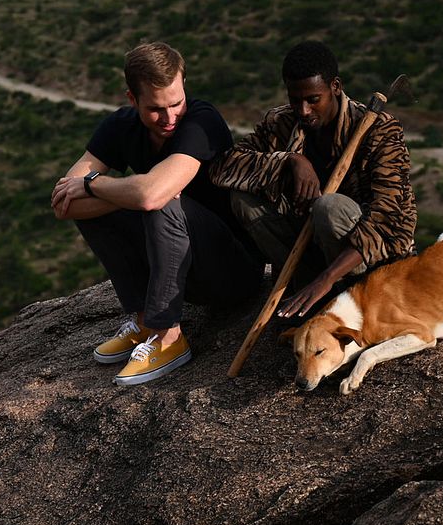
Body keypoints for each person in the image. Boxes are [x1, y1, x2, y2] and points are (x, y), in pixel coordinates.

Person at [51, 42, 262, 386]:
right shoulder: (120, 126)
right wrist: (133, 193)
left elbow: (152, 197)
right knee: (121, 206)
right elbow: (65, 202)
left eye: (176, 103)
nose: (169, 118)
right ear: (132, 99)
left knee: (163, 202)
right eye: (155, 109)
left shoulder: (202, 122)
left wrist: (96, 184)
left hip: (232, 271)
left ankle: (168, 337)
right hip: (179, 269)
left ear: (184, 87)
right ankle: (145, 322)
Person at [210, 40, 417, 321]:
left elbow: (388, 221)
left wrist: (327, 278)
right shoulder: (281, 123)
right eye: (295, 100)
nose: (303, 110)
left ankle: (347, 296)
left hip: (366, 258)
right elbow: (223, 168)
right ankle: (302, 290)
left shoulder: (379, 129)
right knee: (243, 199)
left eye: (313, 100)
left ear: (335, 87)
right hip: (310, 250)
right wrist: (290, 160)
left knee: (328, 207)